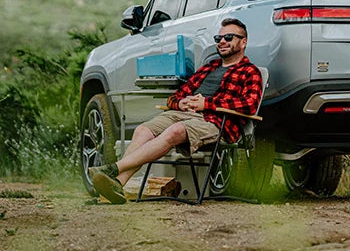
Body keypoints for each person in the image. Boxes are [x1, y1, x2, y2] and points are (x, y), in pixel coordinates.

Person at [89, 17, 263, 204]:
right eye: (218, 38)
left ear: (243, 42)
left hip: (215, 122)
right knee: (143, 130)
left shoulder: (250, 72)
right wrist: (180, 104)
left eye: (228, 37)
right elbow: (176, 96)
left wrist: (207, 104)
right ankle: (117, 185)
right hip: (183, 114)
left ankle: (113, 169)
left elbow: (249, 104)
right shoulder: (208, 68)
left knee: (175, 131)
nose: (221, 42)